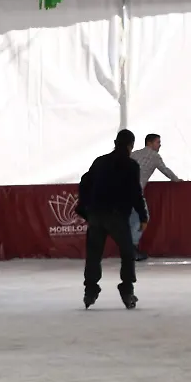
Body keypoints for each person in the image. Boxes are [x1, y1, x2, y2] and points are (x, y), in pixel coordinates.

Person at [78, 129, 146, 310]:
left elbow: (84, 183)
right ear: (130, 145)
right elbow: (135, 193)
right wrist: (143, 215)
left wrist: (85, 209)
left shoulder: (99, 162)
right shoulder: (131, 166)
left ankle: (90, 290)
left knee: (93, 255)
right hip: (116, 216)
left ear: (115, 143)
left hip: (96, 216)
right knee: (127, 252)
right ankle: (127, 290)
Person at [130, 133, 182, 261]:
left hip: (121, 191)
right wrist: (177, 180)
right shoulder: (154, 156)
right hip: (136, 192)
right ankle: (132, 247)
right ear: (150, 143)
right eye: (158, 142)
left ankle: (128, 247)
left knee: (131, 220)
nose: (160, 145)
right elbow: (165, 171)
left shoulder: (134, 154)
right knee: (144, 217)